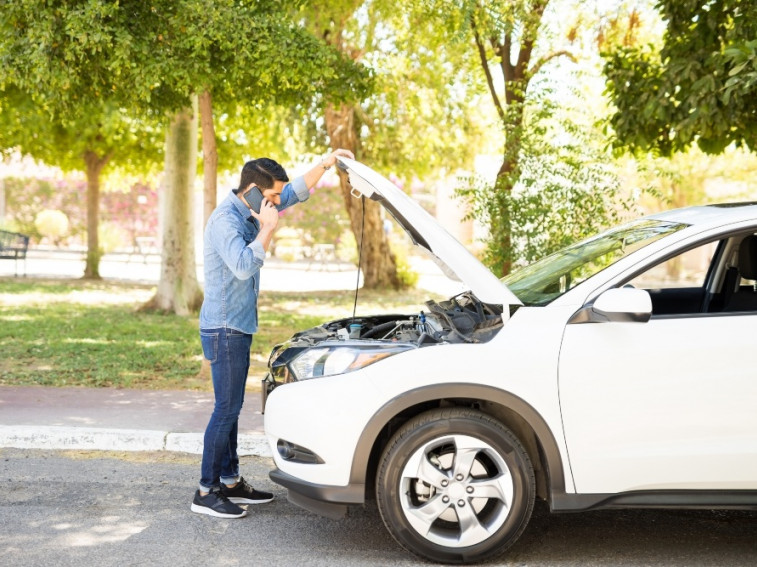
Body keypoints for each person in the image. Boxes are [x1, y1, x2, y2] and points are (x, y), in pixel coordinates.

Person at [191, 148, 355, 518]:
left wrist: (326, 163)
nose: (277, 204)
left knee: (230, 409)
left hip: (238, 325)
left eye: (275, 200)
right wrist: (267, 229)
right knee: (225, 409)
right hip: (223, 328)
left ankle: (231, 482)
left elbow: (293, 190)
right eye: (271, 198)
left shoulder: (253, 205)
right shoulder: (225, 223)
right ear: (251, 190)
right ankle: (205, 491)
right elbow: (244, 266)